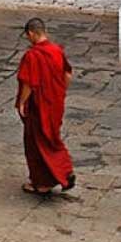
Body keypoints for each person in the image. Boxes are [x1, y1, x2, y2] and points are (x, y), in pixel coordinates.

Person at [15, 17, 76, 195]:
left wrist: (22, 102)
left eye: (28, 37)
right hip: (55, 104)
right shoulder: (56, 51)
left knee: (36, 143)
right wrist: (58, 92)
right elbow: (67, 75)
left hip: (39, 106)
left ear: (31, 34)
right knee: (52, 138)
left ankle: (43, 183)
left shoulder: (32, 55)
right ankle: (64, 170)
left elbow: (29, 83)